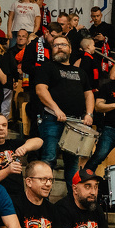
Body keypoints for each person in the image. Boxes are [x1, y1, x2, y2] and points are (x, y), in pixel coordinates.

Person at [31, 35, 95, 181]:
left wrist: (89, 114)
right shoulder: (46, 68)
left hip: (76, 123)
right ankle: (43, 195)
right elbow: (41, 90)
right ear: (51, 50)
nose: (59, 47)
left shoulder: (80, 72)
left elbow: (89, 94)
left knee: (72, 164)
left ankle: (72, 195)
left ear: (70, 49)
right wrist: (56, 109)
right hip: (52, 119)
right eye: (56, 45)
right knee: (49, 159)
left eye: (63, 45)